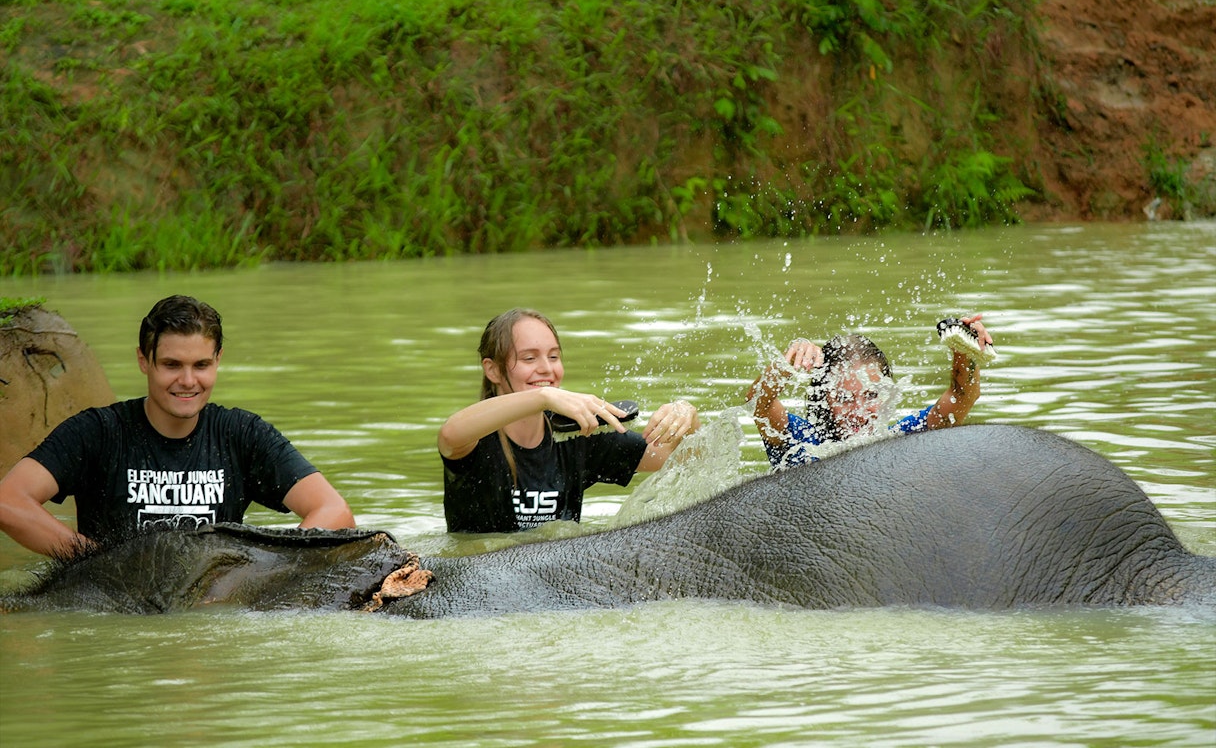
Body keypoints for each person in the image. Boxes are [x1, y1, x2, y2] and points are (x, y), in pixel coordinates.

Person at [0, 295, 356, 558]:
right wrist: (95, 561)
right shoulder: (97, 432)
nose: (188, 381)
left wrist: (263, 567)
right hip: (118, 612)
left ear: (218, 361)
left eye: (201, 365)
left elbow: (335, 512)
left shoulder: (241, 434)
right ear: (144, 360)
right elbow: (7, 501)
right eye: (172, 365)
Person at [438, 308, 701, 533]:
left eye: (553, 356)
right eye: (530, 358)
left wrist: (687, 416)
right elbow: (450, 435)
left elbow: (686, 458)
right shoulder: (476, 438)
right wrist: (543, 396)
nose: (546, 368)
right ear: (492, 369)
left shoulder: (576, 435)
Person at [748, 314, 993, 469]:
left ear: (887, 392)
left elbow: (961, 397)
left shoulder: (903, 440)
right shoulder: (802, 443)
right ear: (823, 398)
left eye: (872, 395)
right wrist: (786, 364)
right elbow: (759, 403)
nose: (858, 412)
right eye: (844, 398)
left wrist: (964, 350)